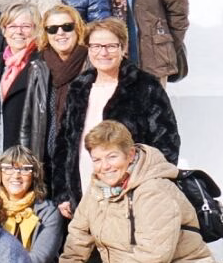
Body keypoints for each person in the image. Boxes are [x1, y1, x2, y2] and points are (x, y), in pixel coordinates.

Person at [55, 122, 218, 263]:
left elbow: (152, 255)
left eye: (112, 157)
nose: (104, 166)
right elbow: (79, 234)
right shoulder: (99, 187)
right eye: (97, 159)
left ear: (130, 155)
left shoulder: (154, 191)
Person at [50, 18, 179, 217]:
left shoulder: (145, 86)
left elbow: (166, 143)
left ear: (123, 47)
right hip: (83, 186)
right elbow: (64, 143)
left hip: (131, 193)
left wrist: (148, 189)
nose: (103, 52)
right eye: (96, 46)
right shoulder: (79, 86)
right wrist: (62, 192)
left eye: (111, 46)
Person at [0, 4, 49, 171]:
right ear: (4, 30)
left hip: (24, 155)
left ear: (36, 30)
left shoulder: (42, 64)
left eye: (26, 26)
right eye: (12, 26)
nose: (18, 32)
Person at [0, 146, 64, 263]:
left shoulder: (48, 212)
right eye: (8, 168)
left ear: (34, 174)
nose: (16, 175)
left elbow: (40, 259)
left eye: (25, 169)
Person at [37, 3, 90, 167]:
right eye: (52, 29)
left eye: (67, 27)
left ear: (78, 29)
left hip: (83, 155)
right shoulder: (39, 65)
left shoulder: (91, 62)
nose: (60, 33)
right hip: (46, 155)